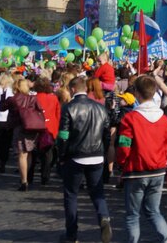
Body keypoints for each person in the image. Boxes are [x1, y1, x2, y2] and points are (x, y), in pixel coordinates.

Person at [115, 76, 167, 243]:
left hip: (136, 170)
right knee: (154, 211)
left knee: (133, 215)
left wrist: (121, 163)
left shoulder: (130, 118)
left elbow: (124, 144)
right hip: (158, 170)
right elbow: (166, 143)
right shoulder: (163, 119)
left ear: (137, 94)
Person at [57, 75, 113, 243]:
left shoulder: (69, 107)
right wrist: (102, 152)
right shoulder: (100, 107)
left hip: (76, 156)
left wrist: (61, 155)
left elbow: (63, 135)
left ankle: (71, 235)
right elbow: (106, 134)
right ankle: (104, 217)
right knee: (97, 193)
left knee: (71, 195)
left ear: (72, 89)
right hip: (96, 156)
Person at [2, 76, 46, 191]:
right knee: (29, 153)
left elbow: (2, 108)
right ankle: (25, 175)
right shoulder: (33, 98)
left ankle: (24, 180)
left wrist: (3, 96)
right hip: (32, 127)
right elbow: (40, 110)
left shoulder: (13, 99)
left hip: (20, 127)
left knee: (22, 154)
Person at [31, 76, 62, 185]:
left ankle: (30, 175)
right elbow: (58, 115)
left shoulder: (33, 98)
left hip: (34, 127)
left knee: (33, 153)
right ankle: (45, 176)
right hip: (50, 128)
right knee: (47, 155)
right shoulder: (53, 98)